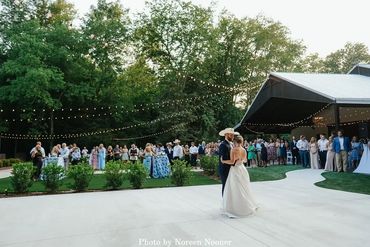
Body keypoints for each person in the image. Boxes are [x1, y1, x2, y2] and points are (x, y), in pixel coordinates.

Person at [221, 135, 258, 217]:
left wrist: (223, 161)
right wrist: (240, 160)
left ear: (235, 142)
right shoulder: (244, 150)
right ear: (241, 142)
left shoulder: (233, 150)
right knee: (244, 188)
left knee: (235, 188)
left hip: (235, 170)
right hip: (243, 169)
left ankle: (235, 208)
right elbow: (245, 160)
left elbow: (231, 162)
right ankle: (246, 205)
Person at [218, 128, 238, 196]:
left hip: (230, 169)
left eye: (233, 135)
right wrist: (233, 162)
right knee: (225, 187)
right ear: (226, 135)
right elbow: (223, 159)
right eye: (231, 135)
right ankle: (225, 204)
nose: (233, 136)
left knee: (230, 187)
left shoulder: (230, 144)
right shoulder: (223, 145)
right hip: (225, 169)